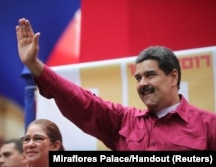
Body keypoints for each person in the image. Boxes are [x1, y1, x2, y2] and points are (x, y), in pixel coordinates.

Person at [16, 18, 216, 151]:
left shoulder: (209, 125)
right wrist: (35, 66)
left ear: (173, 77)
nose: (143, 83)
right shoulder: (124, 122)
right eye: (138, 78)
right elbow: (83, 102)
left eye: (150, 75)